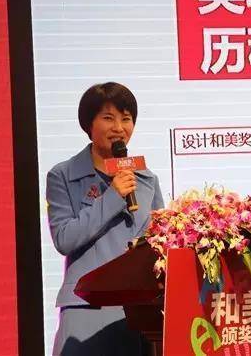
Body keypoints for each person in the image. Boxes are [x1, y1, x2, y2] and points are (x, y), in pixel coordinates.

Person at [46, 82, 164, 356]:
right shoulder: (62, 175)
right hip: (86, 306)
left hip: (139, 311)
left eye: (126, 119)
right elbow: (64, 238)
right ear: (88, 124)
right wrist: (112, 196)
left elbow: (158, 244)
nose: (119, 128)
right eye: (108, 118)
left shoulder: (147, 180)